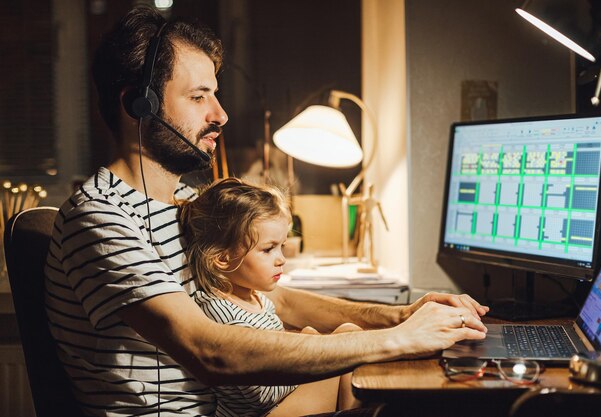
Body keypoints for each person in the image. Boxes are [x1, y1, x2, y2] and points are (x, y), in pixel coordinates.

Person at [44, 5, 489, 417]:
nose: (221, 114)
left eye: (215, 95)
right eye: (199, 97)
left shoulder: (184, 203)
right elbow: (208, 350)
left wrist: (400, 315)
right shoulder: (101, 217)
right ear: (137, 105)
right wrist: (398, 340)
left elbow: (272, 297)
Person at [179, 177, 363, 416]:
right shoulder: (219, 311)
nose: (281, 259)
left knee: (347, 337)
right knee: (346, 342)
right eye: (268, 249)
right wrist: (310, 350)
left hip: (281, 403)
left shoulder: (257, 299)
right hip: (265, 412)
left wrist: (307, 347)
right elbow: (260, 394)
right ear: (223, 258)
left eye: (282, 246)